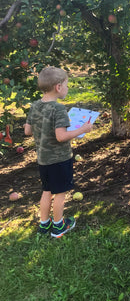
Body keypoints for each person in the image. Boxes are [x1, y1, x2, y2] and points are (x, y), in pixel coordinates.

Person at [24, 66, 93, 238]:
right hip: (59, 159)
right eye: (67, 85)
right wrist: (83, 129)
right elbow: (61, 137)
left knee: (47, 190)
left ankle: (44, 224)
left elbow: (27, 131)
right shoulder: (58, 109)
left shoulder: (35, 106)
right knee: (60, 193)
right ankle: (59, 226)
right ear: (58, 87)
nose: (68, 88)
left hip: (43, 159)